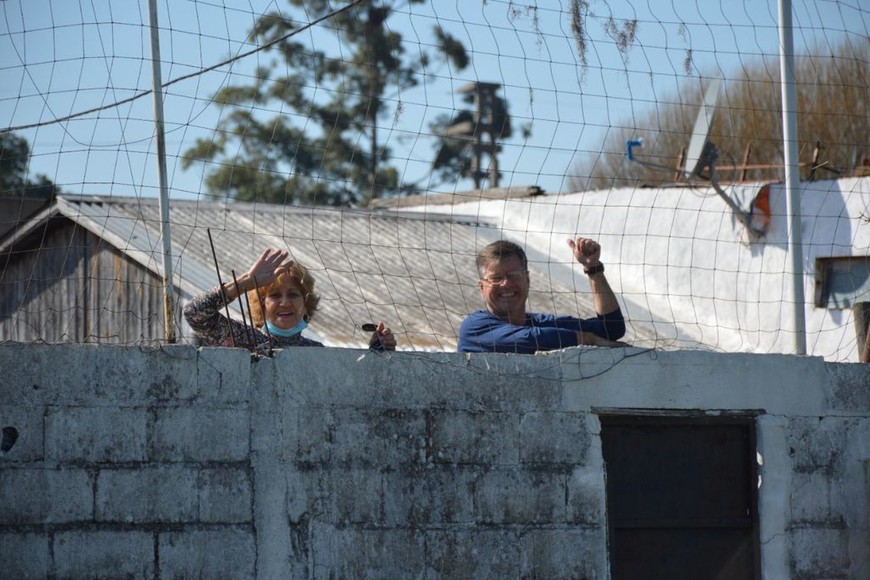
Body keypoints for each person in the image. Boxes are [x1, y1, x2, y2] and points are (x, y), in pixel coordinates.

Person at [184, 247, 397, 354]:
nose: (285, 302)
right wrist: (245, 282)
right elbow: (194, 314)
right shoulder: (243, 339)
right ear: (261, 304)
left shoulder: (316, 352)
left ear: (306, 304)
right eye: (275, 295)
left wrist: (377, 352)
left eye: (293, 295)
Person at [458, 237, 627, 354]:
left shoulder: (544, 324)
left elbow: (612, 329)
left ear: (528, 279)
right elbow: (529, 338)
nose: (505, 284)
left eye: (514, 275)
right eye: (496, 278)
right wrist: (590, 340)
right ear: (481, 287)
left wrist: (594, 269)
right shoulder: (474, 328)